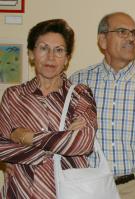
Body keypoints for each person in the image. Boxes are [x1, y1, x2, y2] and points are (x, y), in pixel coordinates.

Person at [70, 12, 135, 199]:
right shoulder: (78, 82)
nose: (131, 38)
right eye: (122, 32)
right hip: (90, 186)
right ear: (102, 40)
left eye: (134, 33)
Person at [0, 19, 97, 198]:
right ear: (31, 54)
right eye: (43, 48)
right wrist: (62, 140)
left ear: (67, 59)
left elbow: (84, 143)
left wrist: (25, 137)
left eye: (59, 50)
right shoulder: (13, 95)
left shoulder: (80, 94)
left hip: (69, 192)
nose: (51, 57)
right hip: (20, 191)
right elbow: (2, 147)